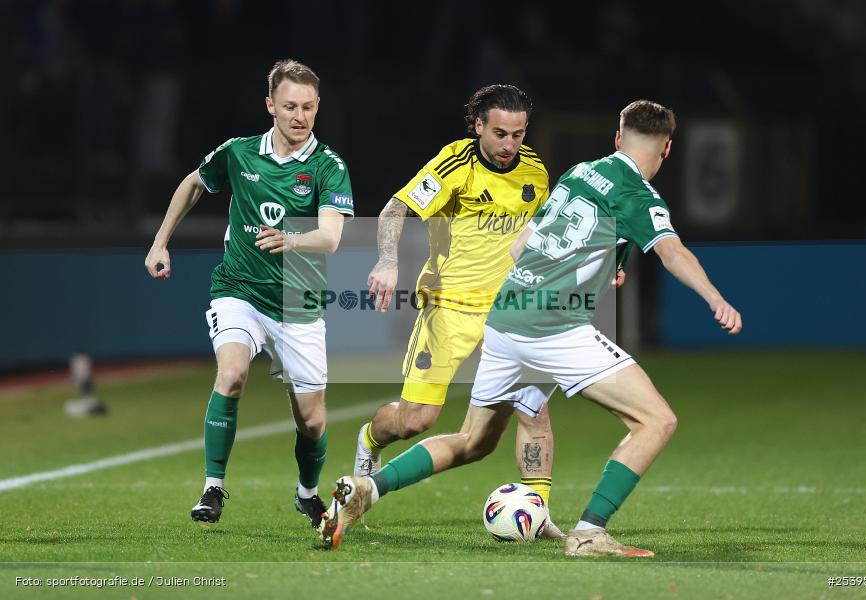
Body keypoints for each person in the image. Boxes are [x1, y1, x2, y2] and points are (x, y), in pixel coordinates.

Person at [321, 100, 742, 556]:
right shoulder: (638, 195)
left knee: (475, 440)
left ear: (618, 139)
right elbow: (673, 252)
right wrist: (715, 298)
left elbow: (524, 245)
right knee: (656, 420)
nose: (510, 143)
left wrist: (596, 264)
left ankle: (368, 489)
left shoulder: (578, 173)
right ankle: (589, 532)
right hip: (547, 325)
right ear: (667, 150)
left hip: (504, 317)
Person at [347, 84, 564, 543]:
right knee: (416, 420)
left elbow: (546, 232)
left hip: (508, 312)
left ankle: (538, 510)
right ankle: (370, 438)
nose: (510, 145)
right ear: (478, 125)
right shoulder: (454, 165)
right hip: (448, 309)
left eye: (519, 134)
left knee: (532, 410)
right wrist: (387, 260)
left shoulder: (536, 170)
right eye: (500, 133)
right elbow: (395, 208)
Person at [144, 59, 354, 529]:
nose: (299, 117)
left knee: (313, 422)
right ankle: (213, 488)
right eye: (289, 107)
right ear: (270, 106)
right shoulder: (239, 153)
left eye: (307, 107)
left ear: (318, 107)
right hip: (238, 291)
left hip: (299, 303)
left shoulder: (328, 166)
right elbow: (194, 184)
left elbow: (332, 237)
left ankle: (306, 493)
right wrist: (160, 241)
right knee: (233, 372)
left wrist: (292, 240)